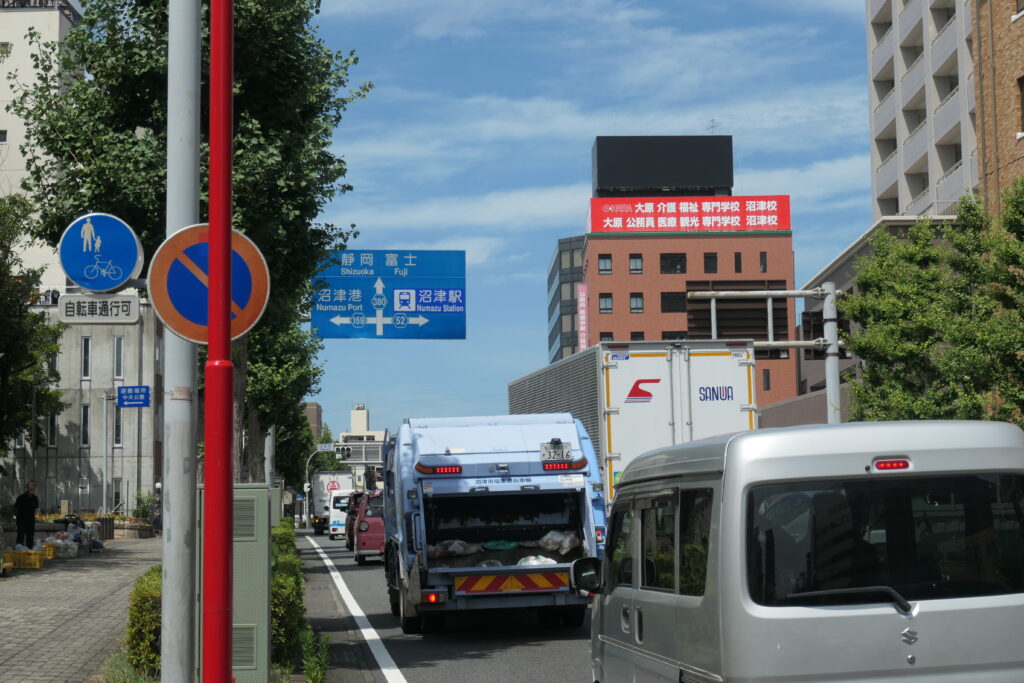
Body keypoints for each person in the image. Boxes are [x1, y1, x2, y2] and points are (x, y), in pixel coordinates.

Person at [15, 481, 39, 548]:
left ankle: (29, 552)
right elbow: (16, 509)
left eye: (33, 487)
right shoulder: (21, 498)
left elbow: (36, 509)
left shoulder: (35, 498)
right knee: (20, 538)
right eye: (30, 486)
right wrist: (17, 518)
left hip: (31, 522)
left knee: (30, 539)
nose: (32, 488)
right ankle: (18, 551)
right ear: (27, 487)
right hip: (22, 522)